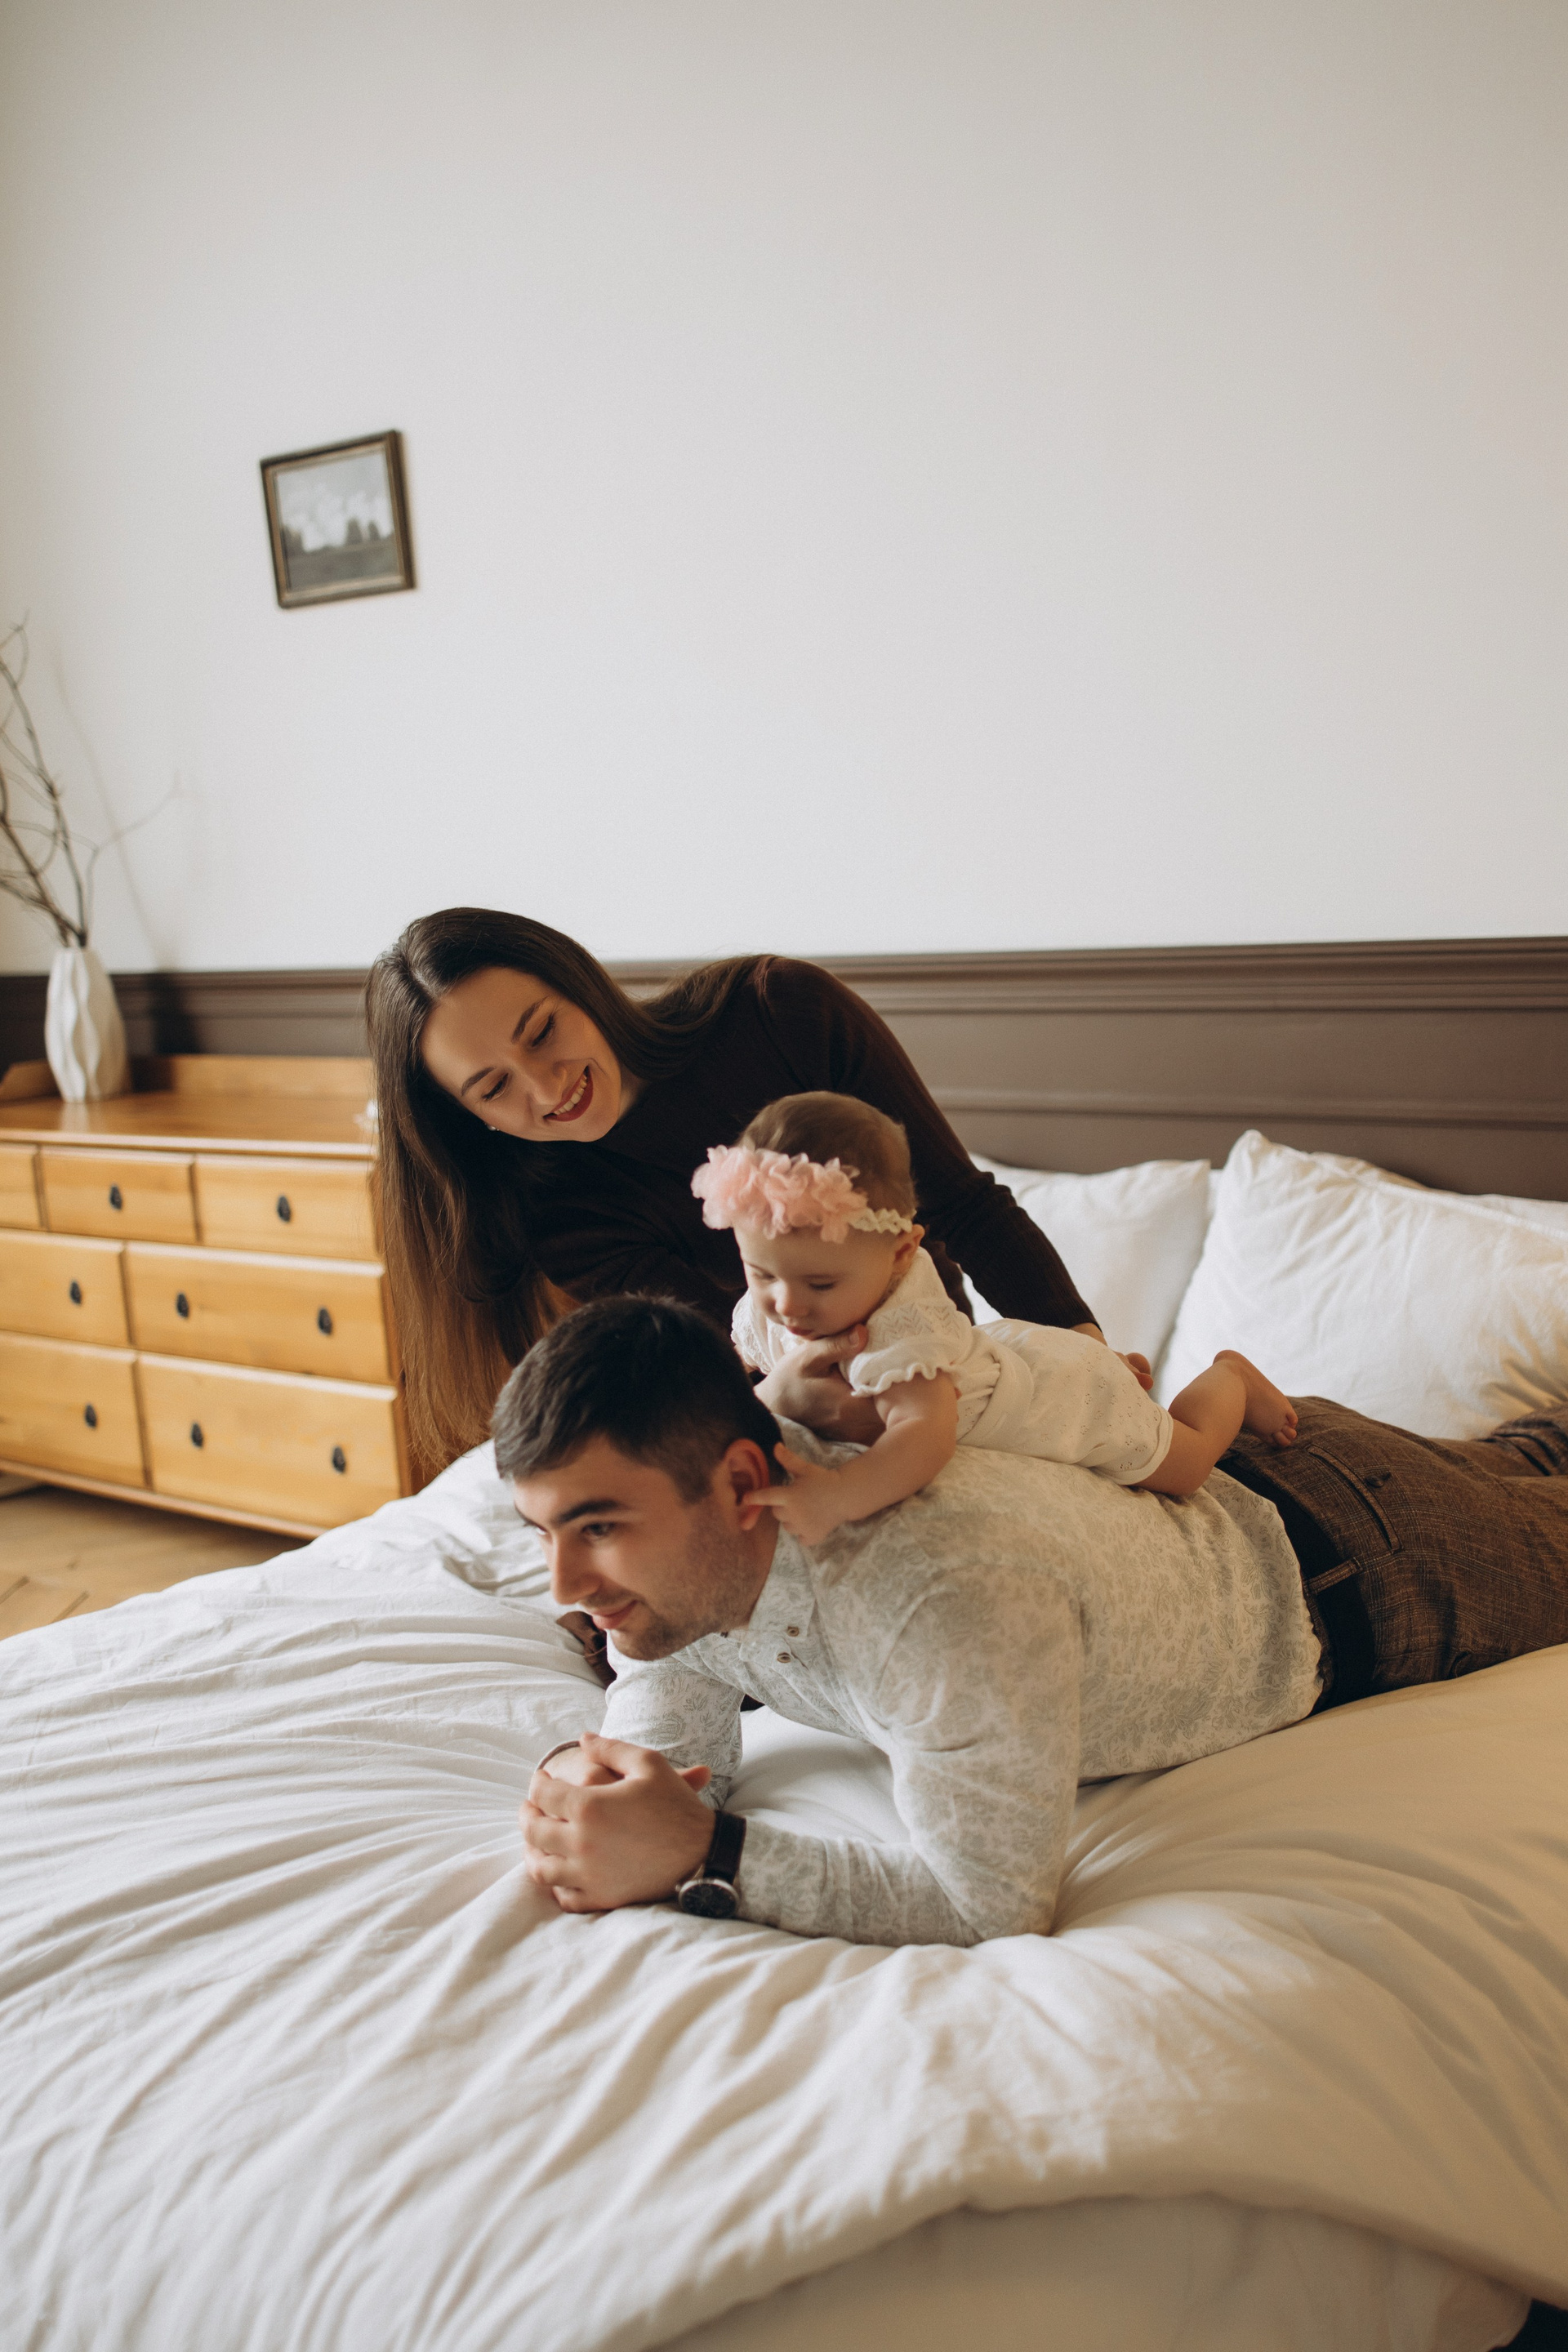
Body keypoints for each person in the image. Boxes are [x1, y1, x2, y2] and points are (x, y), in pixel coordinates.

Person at [501, 1296, 1568, 1949]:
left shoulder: (938, 1597)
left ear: (742, 1482)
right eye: (544, 1531)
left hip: (1374, 1563)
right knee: (1535, 1451)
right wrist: (612, 1794)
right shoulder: (695, 1559)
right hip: (1273, 1475)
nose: (565, 1583)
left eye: (598, 1528)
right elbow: (675, 1697)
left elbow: (989, 1904)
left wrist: (709, 1852)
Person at [365, 908, 1098, 1472]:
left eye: (541, 1032)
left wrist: (1090, 1365)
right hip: (776, 1427)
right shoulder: (556, 1210)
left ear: (578, 985)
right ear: (470, 1119)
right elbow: (725, 1368)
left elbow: (964, 1206)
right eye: (494, 1087)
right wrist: (781, 1412)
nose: (546, 1086)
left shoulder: (779, 1014)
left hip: (933, 1368)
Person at [692, 1090, 1295, 1544]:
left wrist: (841, 1497)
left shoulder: (904, 1333)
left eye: (821, 1284)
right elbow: (740, 1366)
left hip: (1062, 1395)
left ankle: (1231, 1378)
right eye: (762, 1274)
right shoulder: (787, 1295)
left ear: (901, 1253)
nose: (787, 1304)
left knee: (1186, 1465)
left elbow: (923, 1438)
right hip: (1006, 1351)